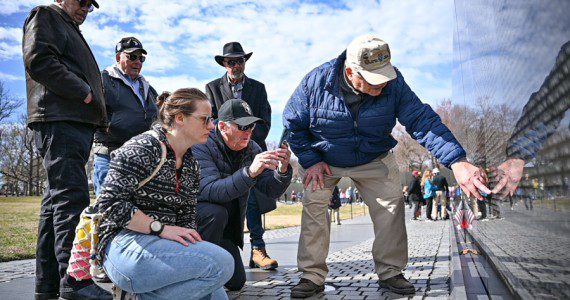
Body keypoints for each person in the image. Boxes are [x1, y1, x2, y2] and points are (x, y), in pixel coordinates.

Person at [283, 34, 490, 297]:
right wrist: (310, 160)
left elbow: (421, 120)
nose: (381, 86)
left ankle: (391, 271)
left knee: (391, 207)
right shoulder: (316, 81)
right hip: (324, 158)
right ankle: (311, 276)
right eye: (373, 81)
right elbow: (292, 123)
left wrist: (457, 161)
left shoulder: (394, 83)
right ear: (350, 72)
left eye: (384, 78)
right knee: (314, 208)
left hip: (374, 156)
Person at [96, 88, 233, 299]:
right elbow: (109, 204)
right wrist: (158, 228)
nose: (212, 126)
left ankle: (139, 296)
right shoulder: (144, 147)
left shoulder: (191, 164)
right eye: (205, 119)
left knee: (216, 294)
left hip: (163, 248)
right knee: (222, 263)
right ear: (180, 118)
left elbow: (186, 219)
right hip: (123, 244)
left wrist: (191, 242)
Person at [22, 1, 112, 299]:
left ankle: (47, 285)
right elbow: (38, 60)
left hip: (72, 122)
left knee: (54, 205)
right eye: (80, 1)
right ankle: (75, 280)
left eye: (90, 4)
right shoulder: (47, 15)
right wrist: (84, 92)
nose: (85, 7)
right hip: (60, 120)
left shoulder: (69, 27)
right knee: (71, 200)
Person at [193, 99, 292, 290]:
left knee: (236, 282)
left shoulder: (253, 148)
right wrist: (249, 173)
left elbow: (271, 189)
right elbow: (211, 190)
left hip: (227, 228)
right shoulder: (202, 145)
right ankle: (195, 273)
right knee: (216, 212)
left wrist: (283, 170)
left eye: (251, 125)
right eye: (242, 126)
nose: (248, 131)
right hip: (198, 223)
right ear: (222, 126)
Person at [205, 42, 276, 268]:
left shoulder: (258, 87)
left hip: (250, 149)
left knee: (253, 197)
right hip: (222, 150)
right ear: (225, 64)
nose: (236, 65)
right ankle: (221, 246)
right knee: (224, 195)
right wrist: (230, 140)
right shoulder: (212, 87)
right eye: (231, 61)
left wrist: (247, 142)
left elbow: (264, 118)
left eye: (240, 60)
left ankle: (258, 248)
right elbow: (212, 118)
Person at [92, 37, 158, 197]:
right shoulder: (102, 80)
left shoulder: (148, 88)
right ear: (118, 58)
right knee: (107, 210)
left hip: (140, 158)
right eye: (132, 57)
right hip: (109, 156)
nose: (138, 62)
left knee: (137, 212)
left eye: (141, 58)